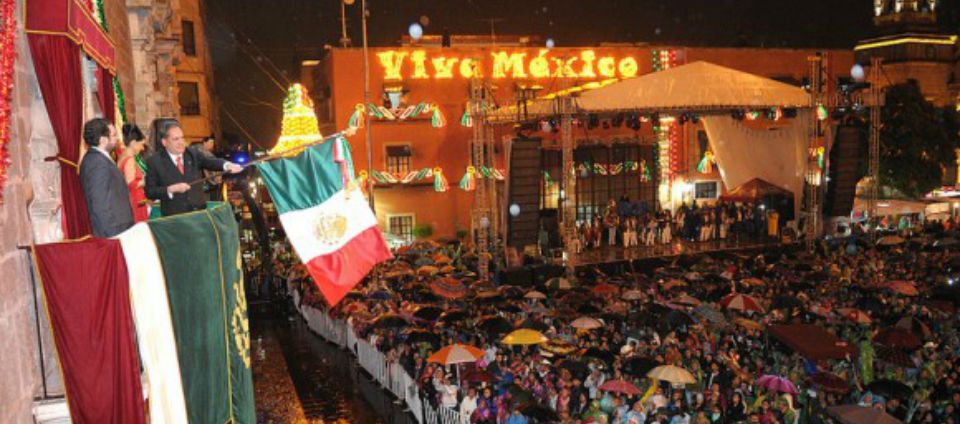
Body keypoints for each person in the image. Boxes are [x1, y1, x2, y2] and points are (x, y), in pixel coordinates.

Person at [144, 119, 243, 216]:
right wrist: (170, 189)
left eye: (182, 138)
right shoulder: (154, 162)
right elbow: (150, 192)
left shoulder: (192, 153)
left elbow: (210, 162)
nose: (181, 142)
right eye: (175, 139)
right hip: (175, 219)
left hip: (199, 214)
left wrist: (227, 165)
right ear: (164, 142)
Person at [79, 118, 135, 237]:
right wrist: (111, 236)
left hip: (119, 227)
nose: (117, 138)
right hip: (113, 230)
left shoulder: (99, 159)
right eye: (114, 135)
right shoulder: (97, 163)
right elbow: (99, 203)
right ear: (103, 140)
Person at [117, 123, 149, 222]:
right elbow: (130, 184)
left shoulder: (122, 156)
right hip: (135, 201)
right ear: (133, 142)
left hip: (132, 199)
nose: (142, 148)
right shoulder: (129, 159)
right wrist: (146, 181)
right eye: (141, 144)